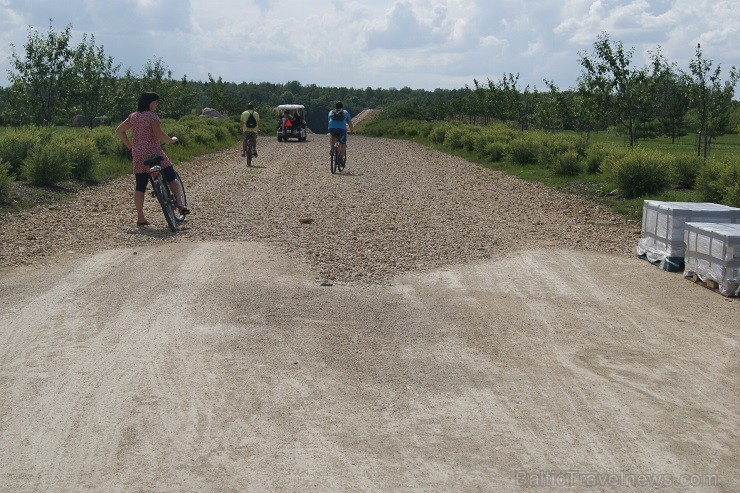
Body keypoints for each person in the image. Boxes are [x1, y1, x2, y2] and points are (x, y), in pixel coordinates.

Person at [116, 92, 188, 227]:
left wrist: (130, 147)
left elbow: (119, 130)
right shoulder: (152, 116)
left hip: (137, 154)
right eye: (155, 102)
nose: (157, 104)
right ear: (150, 102)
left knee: (140, 185)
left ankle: (140, 218)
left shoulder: (133, 116)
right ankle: (180, 203)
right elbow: (159, 134)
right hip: (153, 152)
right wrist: (171, 140)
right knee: (171, 176)